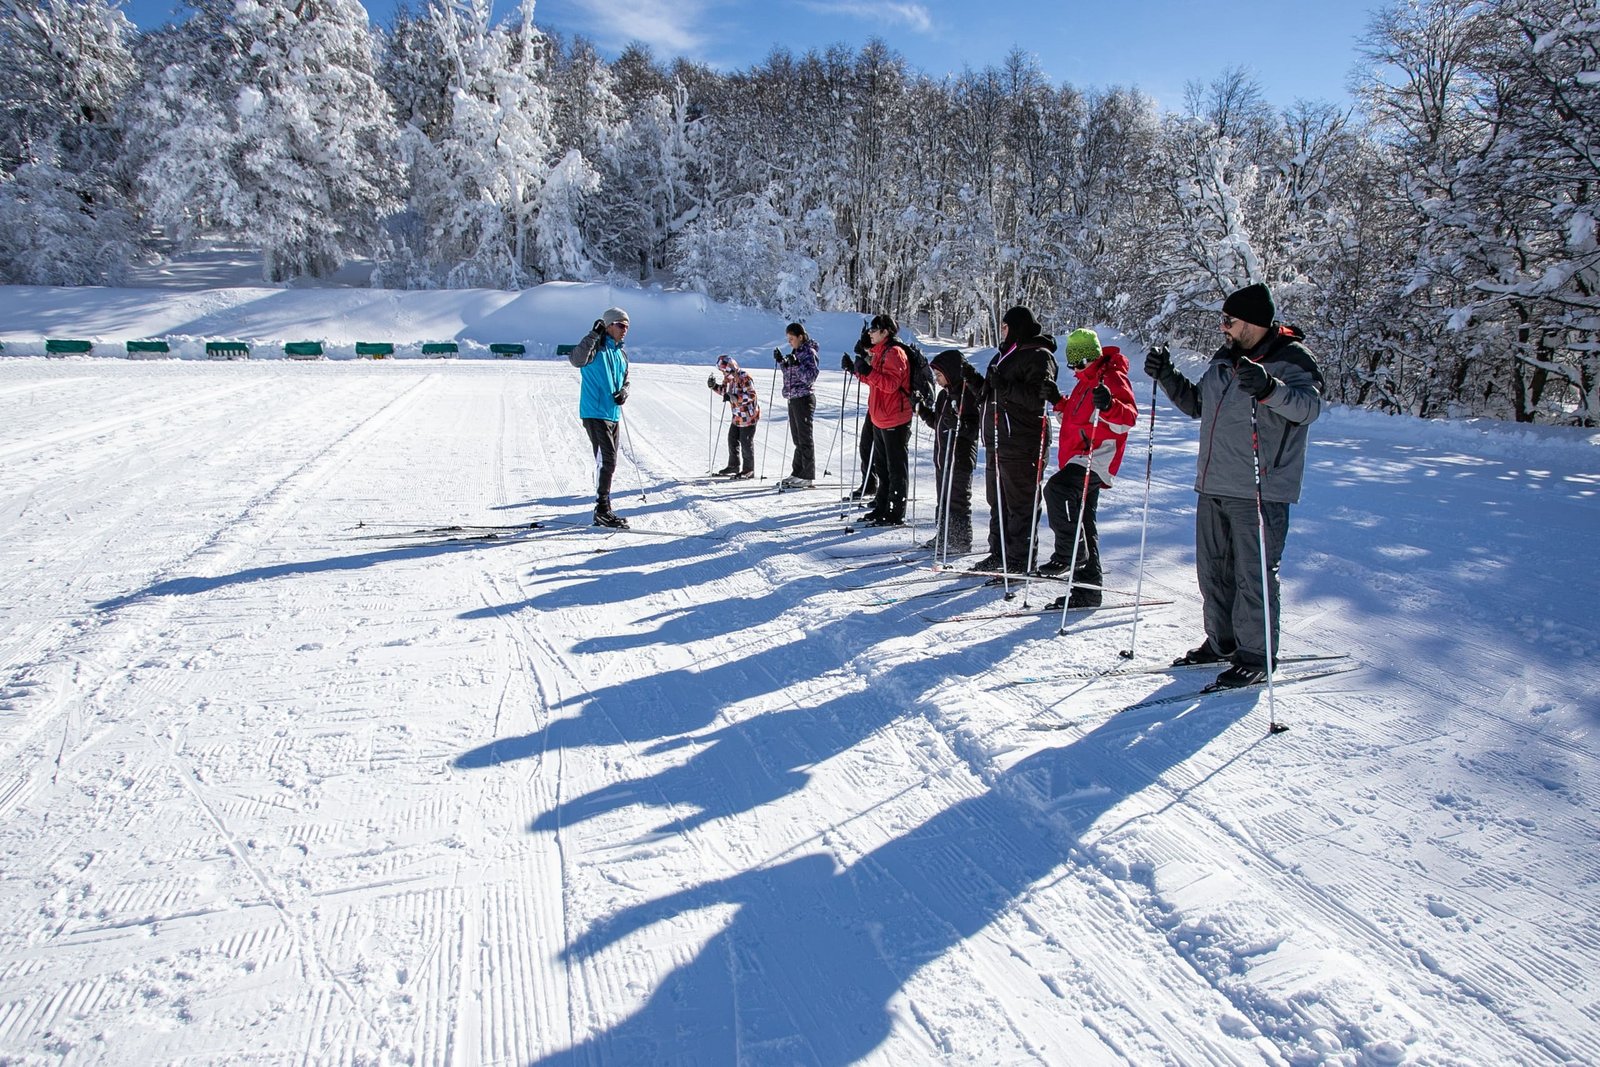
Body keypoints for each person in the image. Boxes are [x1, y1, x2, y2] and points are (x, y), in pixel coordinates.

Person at [1144, 281, 1324, 689]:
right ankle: (1222, 642)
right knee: (1213, 572)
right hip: (1213, 484)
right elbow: (1197, 405)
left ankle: (1255, 655)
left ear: (1254, 323)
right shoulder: (1225, 360)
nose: (1222, 327)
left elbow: (1307, 408)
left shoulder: (1292, 360)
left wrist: (1269, 389)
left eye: (1229, 320)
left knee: (1253, 574)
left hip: (1260, 488)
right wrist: (1168, 376)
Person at [1039, 328, 1138, 608]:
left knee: (1057, 490)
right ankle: (1088, 590)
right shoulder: (1085, 380)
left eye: (1079, 362)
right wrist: (1057, 400)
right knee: (1084, 519)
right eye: (1071, 362)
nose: (1074, 368)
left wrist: (1109, 405)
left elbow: (1128, 418)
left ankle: (1070, 553)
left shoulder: (1112, 377)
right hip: (1077, 456)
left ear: (1091, 356)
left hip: (1096, 457)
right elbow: (1074, 416)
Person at [974, 305, 1057, 573]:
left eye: (1007, 326)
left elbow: (1037, 399)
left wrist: (1005, 386)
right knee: (998, 501)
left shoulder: (1038, 356)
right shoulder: (1006, 354)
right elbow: (992, 394)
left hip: (1022, 441)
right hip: (999, 440)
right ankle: (999, 554)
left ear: (1018, 327)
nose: (1003, 331)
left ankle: (1020, 561)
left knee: (1020, 505)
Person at [568, 306, 632, 528]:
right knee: (607, 459)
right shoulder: (595, 347)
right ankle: (602, 509)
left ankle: (604, 508)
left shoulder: (620, 353)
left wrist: (624, 392)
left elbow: (626, 379)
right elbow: (576, 359)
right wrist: (594, 334)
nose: (625, 330)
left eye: (627, 326)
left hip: (612, 413)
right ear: (609, 325)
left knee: (609, 461)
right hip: (594, 412)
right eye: (621, 325)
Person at [848, 313, 913, 526]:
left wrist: (867, 371)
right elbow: (876, 381)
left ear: (885, 332)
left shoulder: (895, 353)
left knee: (895, 467)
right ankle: (882, 506)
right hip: (880, 417)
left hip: (895, 416)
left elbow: (891, 385)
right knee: (882, 466)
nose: (870, 333)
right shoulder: (880, 352)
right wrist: (856, 370)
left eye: (874, 329)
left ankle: (895, 511)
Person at [916, 349, 983, 555]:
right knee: (943, 497)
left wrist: (960, 425)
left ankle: (961, 539)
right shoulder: (944, 395)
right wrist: (922, 410)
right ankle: (944, 534)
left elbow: (974, 427)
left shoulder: (968, 393)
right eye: (935, 376)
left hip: (960, 456)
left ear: (951, 372)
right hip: (943, 455)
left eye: (939, 375)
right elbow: (938, 423)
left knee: (958, 498)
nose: (936, 380)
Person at [774, 323, 821, 489]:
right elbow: (790, 375)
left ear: (800, 337)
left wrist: (795, 365)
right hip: (793, 398)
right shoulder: (796, 352)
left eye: (792, 339)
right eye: (788, 339)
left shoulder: (809, 352)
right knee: (797, 438)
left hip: (804, 398)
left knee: (805, 438)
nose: (790, 342)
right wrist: (783, 363)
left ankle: (807, 475)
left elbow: (810, 377)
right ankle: (798, 472)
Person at [708, 354, 761, 479]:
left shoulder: (744, 377)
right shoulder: (729, 379)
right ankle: (733, 465)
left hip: (748, 416)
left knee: (746, 442)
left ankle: (749, 470)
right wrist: (714, 386)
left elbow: (751, 395)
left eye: (723, 371)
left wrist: (734, 398)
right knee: (732, 439)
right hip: (737, 416)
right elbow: (724, 391)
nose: (723, 374)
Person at [843, 323, 879, 501]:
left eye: (868, 351)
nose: (868, 355)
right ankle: (869, 483)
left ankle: (883, 490)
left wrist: (863, 367)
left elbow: (881, 380)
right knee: (866, 446)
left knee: (880, 451)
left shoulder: (887, 354)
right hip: (875, 407)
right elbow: (871, 380)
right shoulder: (875, 355)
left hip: (888, 410)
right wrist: (854, 369)